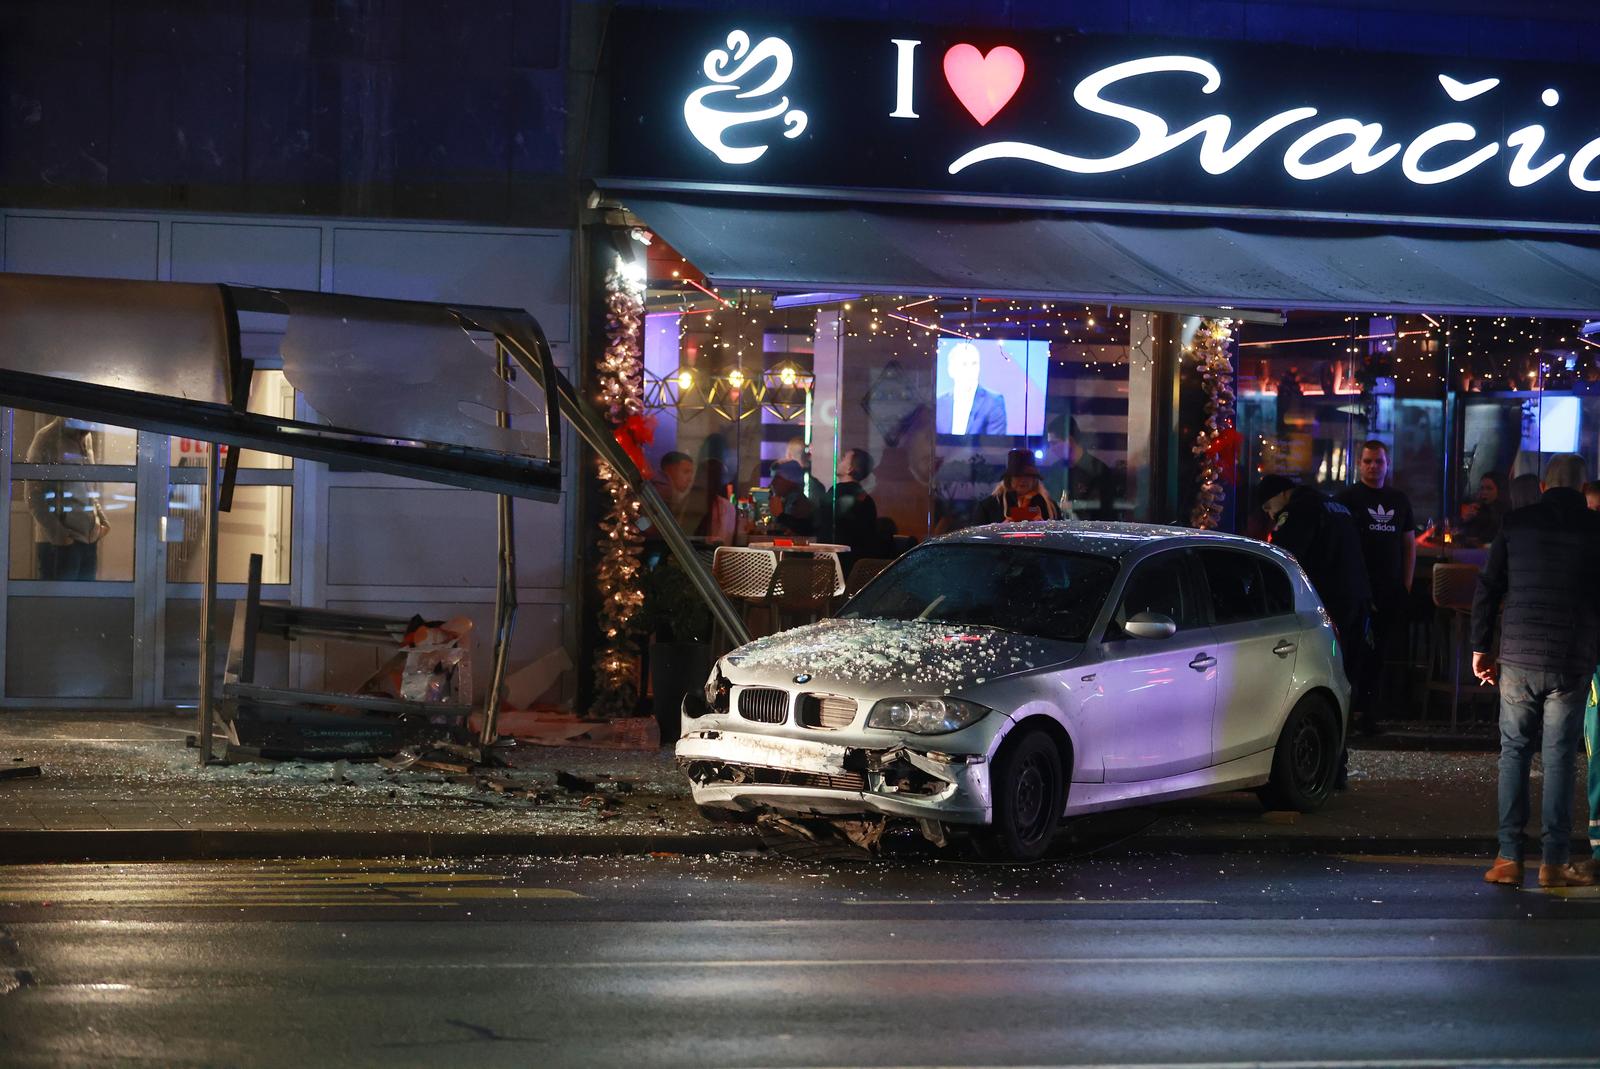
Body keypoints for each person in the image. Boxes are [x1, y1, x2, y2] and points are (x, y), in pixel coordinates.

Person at [1471, 453, 1600, 889]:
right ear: (1584, 490)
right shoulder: (1595, 527)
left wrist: (1480, 648)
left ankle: (1508, 859)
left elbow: (1489, 586)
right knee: (1560, 756)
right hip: (1570, 655)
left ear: (1543, 486)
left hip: (1518, 656)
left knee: (1514, 752)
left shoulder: (1516, 522)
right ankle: (1554, 863)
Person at [1258, 473, 1371, 788]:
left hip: (1328, 607)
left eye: (1269, 506)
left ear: (1284, 494)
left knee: (1325, 682)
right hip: (1356, 604)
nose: (1269, 514)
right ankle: (1338, 769)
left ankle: (1329, 769)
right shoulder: (1336, 506)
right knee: (1345, 681)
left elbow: (1285, 558)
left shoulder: (1300, 511)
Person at [1336, 440, 1415, 735]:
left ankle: (1369, 715)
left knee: (1379, 654)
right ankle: (1348, 713)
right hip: (1356, 590)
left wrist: (1404, 585)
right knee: (1352, 652)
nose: (1373, 467)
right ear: (1358, 464)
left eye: (1378, 462)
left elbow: (1408, 545)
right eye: (1368, 461)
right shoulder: (1347, 499)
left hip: (1389, 590)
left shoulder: (1399, 500)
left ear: (1387, 464)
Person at [25, 416, 109, 581]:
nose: (92, 426)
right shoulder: (47, 438)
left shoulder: (86, 437)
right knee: (58, 604)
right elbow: (33, 496)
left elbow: (86, 487)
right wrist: (60, 536)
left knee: (85, 603)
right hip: (60, 543)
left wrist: (102, 520)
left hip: (89, 538)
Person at [1042, 415, 1118, 520]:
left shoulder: (1097, 470)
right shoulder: (1055, 470)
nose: (1051, 449)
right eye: (1049, 444)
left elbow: (1105, 510)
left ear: (1070, 440)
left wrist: (1075, 506)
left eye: (1054, 443)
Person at [821, 448, 880, 565]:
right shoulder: (867, 499)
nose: (839, 461)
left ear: (850, 468)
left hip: (835, 563)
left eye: (843, 458)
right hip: (857, 565)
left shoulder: (836, 493)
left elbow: (818, 520)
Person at [935, 341, 1006, 436]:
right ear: (951, 370)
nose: (970, 369)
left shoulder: (994, 401)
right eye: (964, 364)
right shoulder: (939, 402)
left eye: (974, 363)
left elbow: (996, 444)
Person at [976, 449, 1061, 525]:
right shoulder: (990, 506)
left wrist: (1044, 528)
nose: (1023, 480)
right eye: (1017, 475)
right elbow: (977, 538)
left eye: (1028, 475)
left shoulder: (1048, 506)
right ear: (1009, 479)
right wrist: (1001, 529)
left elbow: (1059, 538)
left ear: (1034, 479)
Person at [766, 459, 815, 537]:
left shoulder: (801, 504)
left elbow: (804, 530)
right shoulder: (786, 501)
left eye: (777, 478)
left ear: (791, 480)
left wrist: (780, 515)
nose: (772, 483)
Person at [1458, 472, 1507, 545]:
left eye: (1489, 489)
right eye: (1482, 488)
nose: (1484, 492)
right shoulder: (1476, 508)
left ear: (1498, 490)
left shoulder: (1504, 511)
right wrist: (1465, 520)